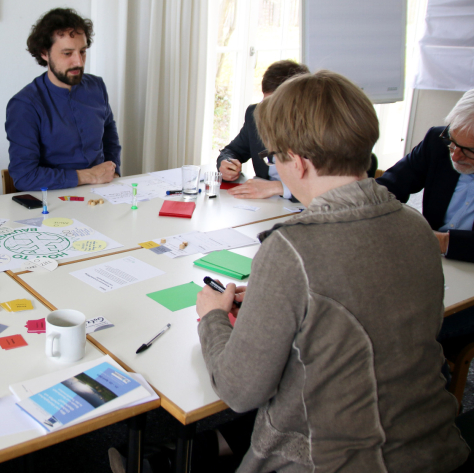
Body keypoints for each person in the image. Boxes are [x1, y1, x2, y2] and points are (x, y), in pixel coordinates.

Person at [196, 70, 470, 472]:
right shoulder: (418, 230)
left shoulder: (291, 247)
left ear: (300, 162)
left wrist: (214, 318)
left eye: (274, 157)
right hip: (437, 449)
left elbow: (239, 390)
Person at [6, 7, 122, 191]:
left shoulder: (97, 86)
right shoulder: (24, 105)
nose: (78, 61)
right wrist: (88, 176)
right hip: (53, 200)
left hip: (102, 194)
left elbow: (109, 134)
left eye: (82, 51)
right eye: (67, 53)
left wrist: (113, 169)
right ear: (45, 53)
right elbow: (24, 176)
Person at [377, 90, 474, 263]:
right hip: (431, 259)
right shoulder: (436, 141)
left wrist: (440, 241)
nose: (455, 156)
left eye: (469, 150)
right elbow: (388, 186)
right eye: (452, 141)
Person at [217, 60, 309, 199]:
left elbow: (329, 188)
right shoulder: (256, 114)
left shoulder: (316, 128)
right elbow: (232, 151)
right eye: (266, 102)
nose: (268, 111)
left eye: (275, 105)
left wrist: (278, 188)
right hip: (264, 204)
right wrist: (226, 165)